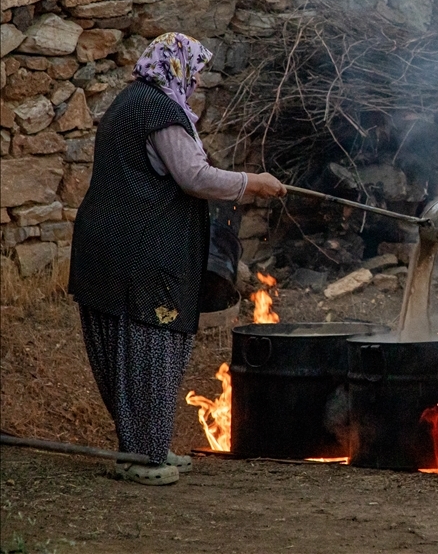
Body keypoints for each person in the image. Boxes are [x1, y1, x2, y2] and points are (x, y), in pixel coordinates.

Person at [68, 33, 287, 486]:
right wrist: (254, 182)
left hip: (110, 248)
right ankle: (144, 456)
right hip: (140, 254)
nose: (200, 79)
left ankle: (144, 445)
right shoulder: (160, 111)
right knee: (150, 345)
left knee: (129, 350)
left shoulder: (132, 102)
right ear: (176, 67)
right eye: (196, 69)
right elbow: (193, 176)